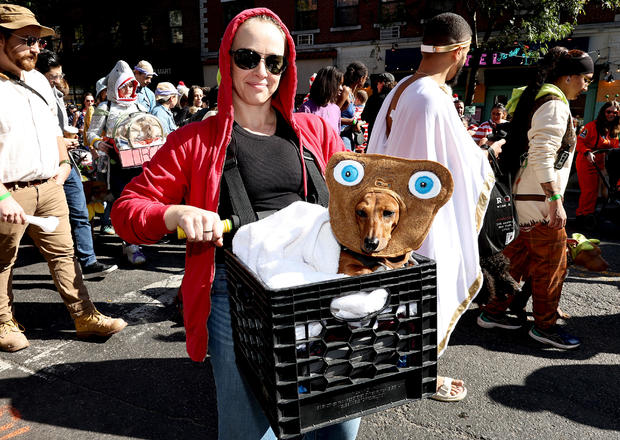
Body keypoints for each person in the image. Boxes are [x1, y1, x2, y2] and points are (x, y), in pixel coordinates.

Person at [111, 8, 360, 439]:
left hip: (323, 284)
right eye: (248, 58)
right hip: (239, 294)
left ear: (287, 68)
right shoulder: (195, 140)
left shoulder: (314, 130)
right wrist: (176, 213)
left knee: (337, 417)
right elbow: (128, 211)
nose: (261, 71)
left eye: (273, 61)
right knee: (251, 426)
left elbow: (357, 192)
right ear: (227, 60)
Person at [366, 12, 496, 402]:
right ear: (460, 51)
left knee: (398, 298)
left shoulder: (403, 87)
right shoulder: (429, 98)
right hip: (418, 217)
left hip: (393, 212)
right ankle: (422, 375)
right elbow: (445, 167)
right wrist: (487, 155)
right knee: (421, 296)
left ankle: (398, 366)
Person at [0, 3, 126, 352]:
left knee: (65, 255)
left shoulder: (39, 79)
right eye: (27, 40)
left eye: (38, 41)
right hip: (9, 192)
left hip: (49, 185)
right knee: (2, 262)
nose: (36, 48)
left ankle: (85, 315)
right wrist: (1, 197)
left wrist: (63, 164)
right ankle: (2, 323)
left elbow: (53, 128)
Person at [479, 48, 594, 349]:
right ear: (568, 76)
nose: (587, 85)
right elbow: (543, 155)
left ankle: (492, 311)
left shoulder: (544, 97)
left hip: (529, 194)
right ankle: (545, 327)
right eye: (585, 79)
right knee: (551, 266)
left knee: (519, 258)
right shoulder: (554, 103)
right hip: (540, 199)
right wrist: (555, 198)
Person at [35, 49, 118, 279]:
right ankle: (61, 271)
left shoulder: (57, 94)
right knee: (53, 219)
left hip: (66, 160)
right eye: (53, 77)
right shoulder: (32, 95)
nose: (58, 81)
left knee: (80, 211)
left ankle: (88, 260)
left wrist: (66, 141)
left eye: (60, 75)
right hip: (45, 164)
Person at [87, 60, 148, 264]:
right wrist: (99, 143)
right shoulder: (105, 106)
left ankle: (131, 241)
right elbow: (91, 133)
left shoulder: (140, 104)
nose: (129, 88)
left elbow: (148, 130)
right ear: (115, 85)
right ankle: (131, 244)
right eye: (125, 84)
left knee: (137, 202)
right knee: (121, 202)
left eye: (132, 84)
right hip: (115, 165)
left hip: (138, 163)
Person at [575, 101, 620, 229]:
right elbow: (579, 142)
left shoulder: (614, 129)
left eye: (614, 112)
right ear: (603, 112)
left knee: (595, 191)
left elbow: (615, 147)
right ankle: (582, 216)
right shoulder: (591, 126)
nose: (611, 114)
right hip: (586, 160)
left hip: (600, 161)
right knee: (588, 190)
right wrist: (587, 152)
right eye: (608, 112)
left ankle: (589, 214)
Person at [296, 65, 343, 135]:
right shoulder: (306, 109)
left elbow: (337, 138)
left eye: (341, 84)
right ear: (327, 84)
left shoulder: (336, 109)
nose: (341, 88)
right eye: (338, 84)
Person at [338, 61, 368, 150]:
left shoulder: (350, 92)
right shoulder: (345, 91)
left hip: (347, 136)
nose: (366, 80)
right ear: (361, 78)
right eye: (366, 78)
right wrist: (353, 122)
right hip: (341, 138)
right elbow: (332, 115)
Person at [361, 72, 395, 139]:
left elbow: (364, 117)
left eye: (378, 83)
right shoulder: (396, 98)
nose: (377, 86)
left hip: (375, 136)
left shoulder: (374, 98)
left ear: (382, 83)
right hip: (391, 136)